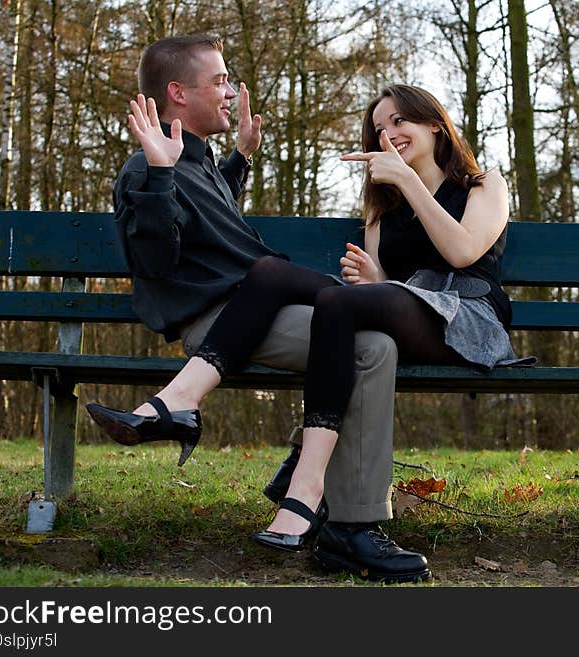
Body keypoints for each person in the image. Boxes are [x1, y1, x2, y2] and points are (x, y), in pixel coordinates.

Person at [86, 34, 429, 583]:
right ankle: (350, 523)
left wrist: (241, 156)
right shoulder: (149, 170)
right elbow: (156, 260)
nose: (230, 91)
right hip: (221, 322)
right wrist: (156, 175)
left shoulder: (197, 164)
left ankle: (310, 485)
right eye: (219, 80)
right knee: (370, 346)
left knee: (370, 339)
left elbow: (216, 227)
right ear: (177, 92)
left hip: (259, 312)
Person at [249, 83, 531, 578]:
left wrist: (409, 181)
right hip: (410, 313)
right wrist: (374, 279)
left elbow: (463, 251)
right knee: (341, 306)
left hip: (467, 318)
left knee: (337, 302)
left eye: (400, 120)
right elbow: (384, 284)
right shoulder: (383, 206)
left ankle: (303, 471)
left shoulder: (484, 185)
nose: (389, 133)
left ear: (435, 125)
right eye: (380, 128)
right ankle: (317, 491)